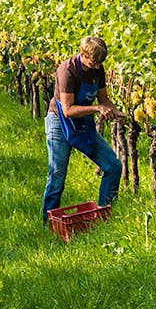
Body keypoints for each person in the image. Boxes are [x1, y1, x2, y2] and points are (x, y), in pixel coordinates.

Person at [42, 35, 124, 224]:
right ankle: (48, 224)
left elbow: (103, 99)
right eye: (93, 63)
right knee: (57, 175)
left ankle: (105, 216)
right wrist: (97, 109)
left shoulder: (98, 70)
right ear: (82, 54)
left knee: (113, 166)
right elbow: (68, 110)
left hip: (83, 121)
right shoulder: (67, 70)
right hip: (59, 122)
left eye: (99, 64)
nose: (97, 67)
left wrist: (115, 112)